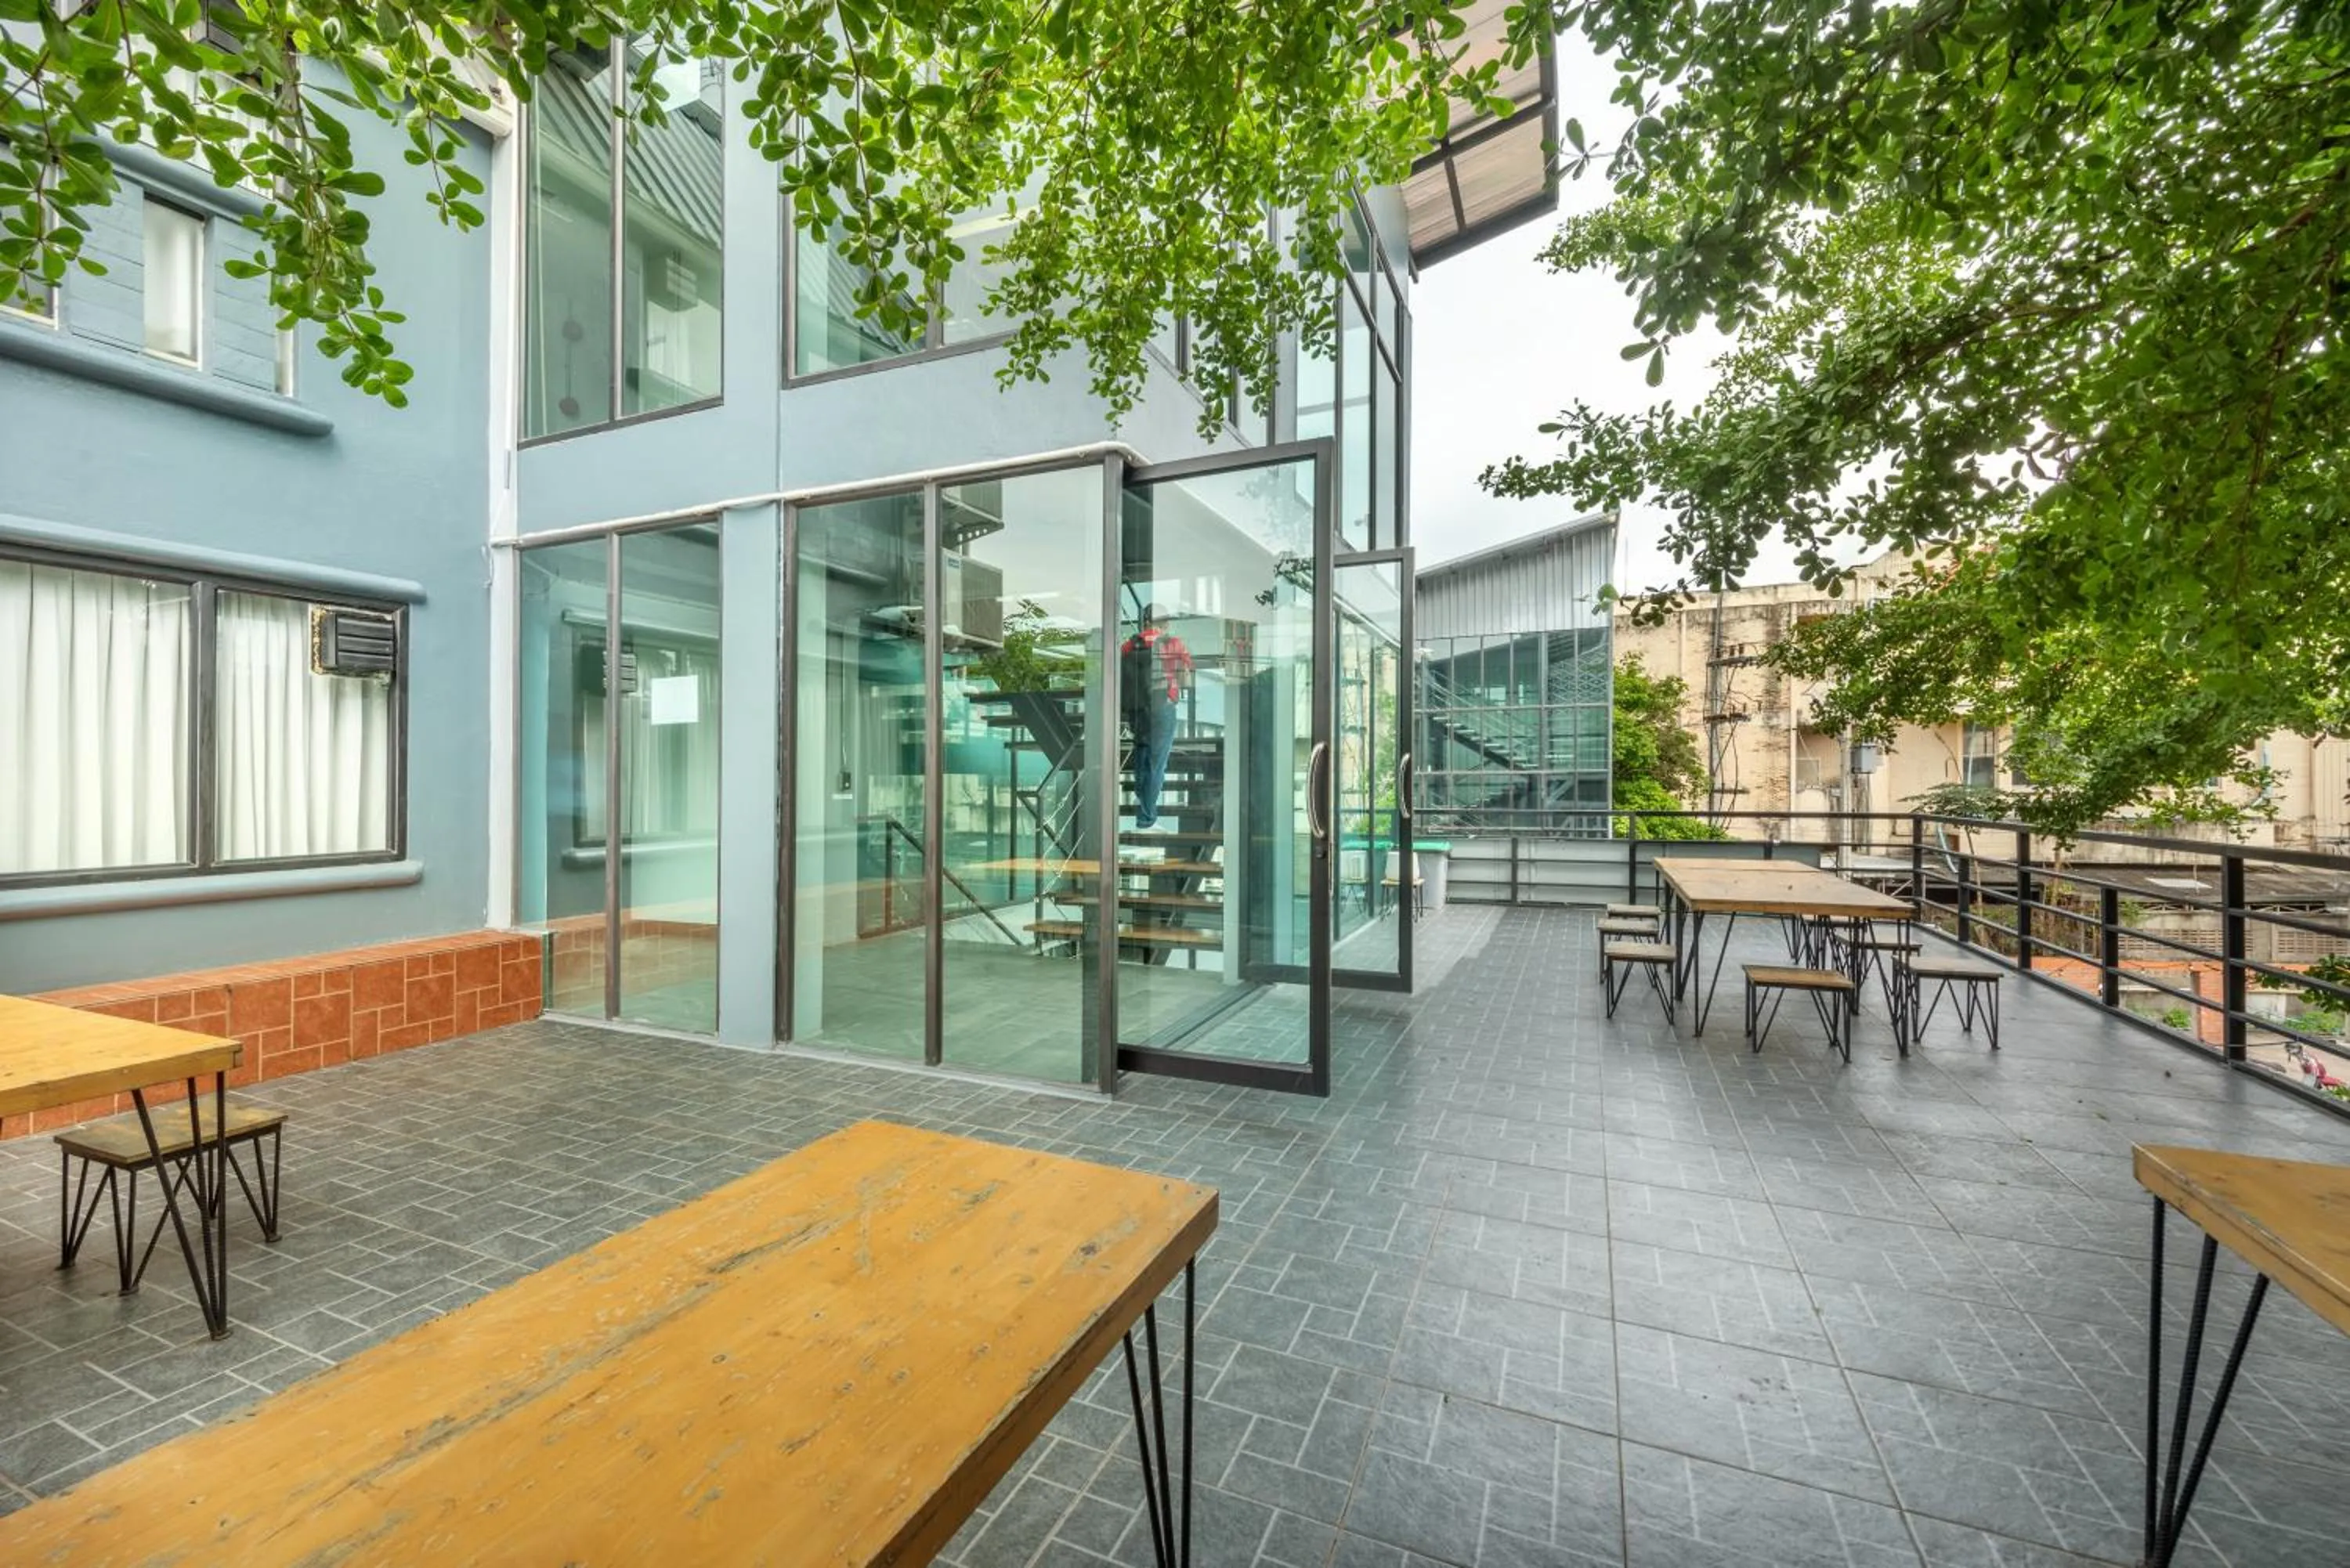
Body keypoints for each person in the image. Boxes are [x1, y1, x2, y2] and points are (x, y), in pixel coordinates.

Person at [1119, 603, 1193, 829]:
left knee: (1142, 758)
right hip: (1162, 708)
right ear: (1165, 623)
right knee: (1157, 763)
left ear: (1145, 621)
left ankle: (1143, 802)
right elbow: (1186, 682)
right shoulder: (1173, 644)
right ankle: (1147, 817)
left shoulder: (1129, 646)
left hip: (1136, 710)